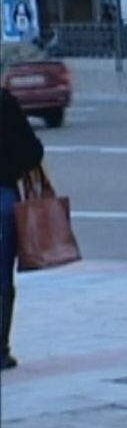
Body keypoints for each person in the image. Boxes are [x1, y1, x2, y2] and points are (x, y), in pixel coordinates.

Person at [0, 86, 45, 370]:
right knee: (2, 276)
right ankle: (0, 349)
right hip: (3, 196)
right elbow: (32, 151)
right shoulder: (5, 102)